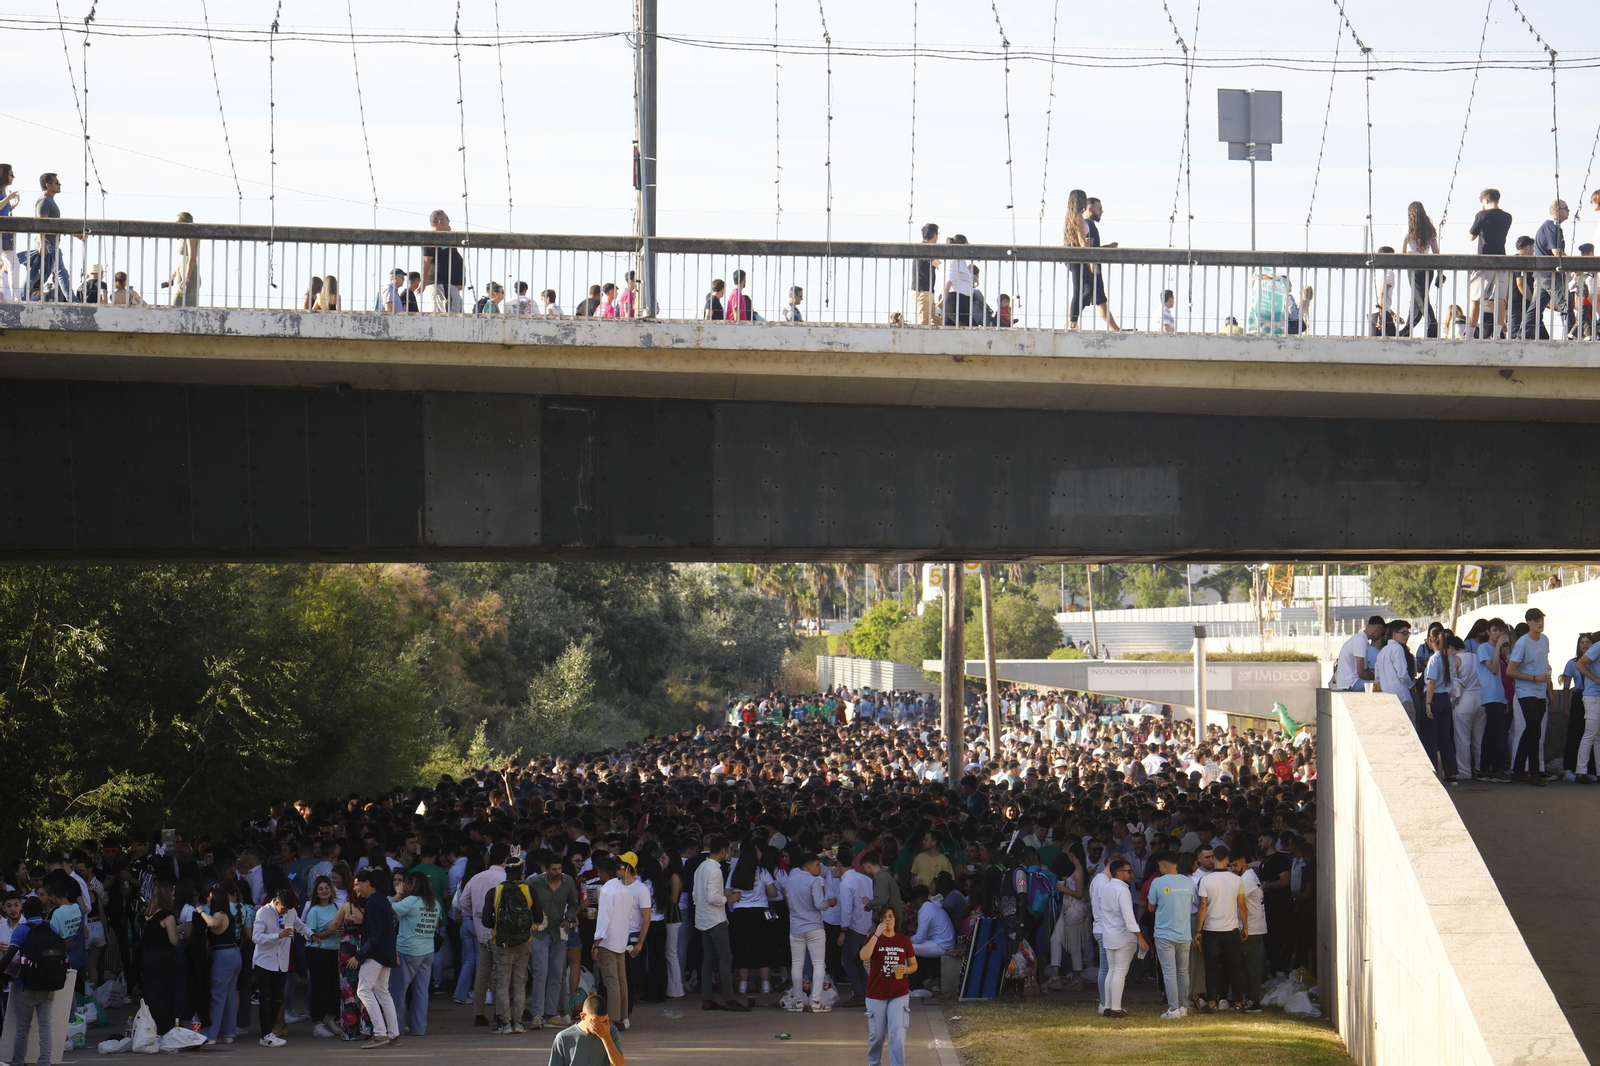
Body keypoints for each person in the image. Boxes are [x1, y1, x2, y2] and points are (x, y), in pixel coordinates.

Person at [2, 896, 64, 1066]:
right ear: (42, 911)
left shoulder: (22, 930)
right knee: (45, 1026)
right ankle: (45, 1062)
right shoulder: (52, 928)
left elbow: (8, 956)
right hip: (50, 985)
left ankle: (18, 1062)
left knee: (22, 1028)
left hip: (27, 986)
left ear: (24, 911)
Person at [482, 857, 540, 1034]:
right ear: (521, 870)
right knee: (519, 982)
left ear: (505, 871)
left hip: (502, 943)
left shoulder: (495, 892)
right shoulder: (530, 891)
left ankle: (505, 1023)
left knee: (502, 983)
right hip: (524, 942)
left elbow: (485, 921)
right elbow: (538, 918)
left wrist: (501, 925)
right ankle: (519, 1022)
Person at [1194, 844, 1250, 1013]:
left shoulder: (1205, 880)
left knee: (1211, 967)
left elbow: (1202, 906)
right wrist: (1245, 927)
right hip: (1231, 928)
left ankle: (1212, 1003)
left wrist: (1198, 930)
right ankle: (1238, 1003)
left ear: (1214, 859)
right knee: (1234, 966)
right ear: (1227, 860)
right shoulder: (1237, 880)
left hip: (1211, 929)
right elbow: (1242, 905)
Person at [251, 888, 309, 1047]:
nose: (285, 912)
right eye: (283, 909)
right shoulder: (263, 913)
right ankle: (265, 1034)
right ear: (276, 902)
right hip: (264, 962)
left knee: (277, 999)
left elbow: (300, 925)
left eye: (288, 910)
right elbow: (256, 937)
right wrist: (278, 935)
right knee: (266, 998)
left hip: (281, 962)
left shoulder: (290, 912)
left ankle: (270, 1031)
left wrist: (311, 935)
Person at [859, 906, 916, 1066]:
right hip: (876, 993)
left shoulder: (903, 940)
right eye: (884, 917)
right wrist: (876, 934)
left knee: (897, 1033)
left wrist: (907, 969)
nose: (887, 920)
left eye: (891, 916)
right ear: (879, 921)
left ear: (896, 919)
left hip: (899, 993)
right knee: (877, 1035)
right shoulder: (873, 937)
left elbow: (913, 964)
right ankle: (874, 1063)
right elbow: (864, 956)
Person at [528, 851, 579, 1028]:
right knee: (540, 972)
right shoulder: (533, 882)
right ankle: (537, 1014)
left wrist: (569, 918)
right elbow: (524, 899)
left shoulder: (568, 882)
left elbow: (574, 903)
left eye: (559, 869)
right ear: (546, 870)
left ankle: (551, 1014)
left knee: (557, 973)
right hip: (539, 932)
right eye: (554, 869)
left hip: (559, 932)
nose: (557, 872)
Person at [349, 868, 399, 1048]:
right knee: (383, 993)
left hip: (376, 954)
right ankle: (393, 1034)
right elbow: (384, 930)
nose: (355, 888)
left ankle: (380, 1033)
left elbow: (375, 935)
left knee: (363, 991)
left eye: (357, 884)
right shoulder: (381, 900)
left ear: (367, 883)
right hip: (386, 952)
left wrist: (359, 955)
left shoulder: (373, 903)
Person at [389, 871, 439, 1038]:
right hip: (427, 950)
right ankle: (419, 1028)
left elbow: (387, 908)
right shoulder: (434, 903)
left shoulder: (410, 901)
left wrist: (398, 894)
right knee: (421, 992)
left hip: (408, 950)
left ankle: (397, 1026)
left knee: (398, 991)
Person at [1507, 607, 1553, 785]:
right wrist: (1533, 678)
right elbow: (1511, 671)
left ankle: (1518, 770)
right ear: (1528, 623)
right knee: (1535, 729)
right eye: (1535, 620)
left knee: (1530, 730)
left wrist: (1549, 689)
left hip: (1541, 692)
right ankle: (1534, 773)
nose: (1540, 623)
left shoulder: (1545, 640)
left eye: (1541, 619)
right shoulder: (1522, 643)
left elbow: (1546, 666)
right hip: (1526, 692)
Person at [1064, 190, 1119, 332]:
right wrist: (1092, 262)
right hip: (1082, 260)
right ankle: (1071, 323)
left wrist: (1105, 248)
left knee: (1095, 297)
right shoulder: (1080, 219)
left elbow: (1086, 243)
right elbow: (1083, 243)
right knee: (1084, 291)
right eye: (1099, 208)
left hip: (1078, 259)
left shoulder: (1072, 218)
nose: (1102, 211)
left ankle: (1116, 329)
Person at [1098, 856, 1145, 1018]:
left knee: (1112, 971)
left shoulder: (1106, 888)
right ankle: (1116, 1008)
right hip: (1123, 936)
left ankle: (1108, 1006)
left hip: (1109, 935)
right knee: (1119, 972)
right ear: (1119, 873)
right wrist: (1140, 937)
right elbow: (1129, 918)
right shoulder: (1122, 890)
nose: (1132, 875)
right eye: (1129, 872)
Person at [1147, 852, 1191, 1018]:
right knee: (1183, 972)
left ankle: (1173, 1009)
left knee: (1169, 972)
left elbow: (1151, 907)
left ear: (1163, 865)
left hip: (1164, 933)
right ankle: (1184, 1007)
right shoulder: (1188, 881)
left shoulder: (1158, 882)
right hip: (1184, 933)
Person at [785, 852, 830, 1012]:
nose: (820, 868)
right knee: (818, 964)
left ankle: (798, 1002)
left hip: (796, 926)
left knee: (797, 964)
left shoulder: (790, 879)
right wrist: (828, 903)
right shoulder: (814, 881)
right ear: (809, 866)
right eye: (818, 865)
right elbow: (819, 904)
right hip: (814, 926)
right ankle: (816, 1002)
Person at [197, 886, 242, 1044]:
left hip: (223, 956)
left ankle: (210, 1034)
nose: (207, 899)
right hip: (234, 954)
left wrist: (201, 911)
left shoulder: (218, 914)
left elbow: (214, 923)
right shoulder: (228, 914)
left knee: (218, 995)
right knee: (229, 995)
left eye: (210, 896)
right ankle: (228, 1033)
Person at [1467, 188, 1512, 338]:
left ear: (1485, 200)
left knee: (1475, 298)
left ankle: (1470, 333)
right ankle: (1497, 334)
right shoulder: (1507, 217)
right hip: (1501, 260)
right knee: (1499, 298)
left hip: (1483, 261)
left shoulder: (1482, 215)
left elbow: (1471, 236)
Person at [1423, 632, 1465, 783]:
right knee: (1445, 738)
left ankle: (1434, 772)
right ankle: (1451, 773)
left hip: (1434, 698)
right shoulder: (1450, 658)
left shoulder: (1435, 658)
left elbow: (1431, 682)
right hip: (1446, 699)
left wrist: (1427, 703)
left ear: (1432, 642)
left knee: (1431, 738)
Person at [546, 994, 624, 1066]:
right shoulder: (563, 1037)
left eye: (604, 1021)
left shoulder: (610, 1032)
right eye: (596, 1022)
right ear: (583, 1016)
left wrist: (606, 1037)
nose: (601, 1026)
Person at [1529, 200, 1569, 339]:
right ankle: (1571, 334)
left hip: (1541, 274)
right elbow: (1556, 251)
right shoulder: (1552, 226)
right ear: (1556, 210)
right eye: (1566, 208)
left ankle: (1522, 334)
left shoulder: (1548, 227)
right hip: (1550, 274)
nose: (1568, 211)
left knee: (1535, 308)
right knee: (1563, 303)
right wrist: (1574, 265)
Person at [1400, 201, 1440, 337]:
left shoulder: (1408, 229)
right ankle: (1406, 331)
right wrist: (1440, 271)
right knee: (1418, 298)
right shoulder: (1430, 229)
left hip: (1413, 267)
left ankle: (1433, 324)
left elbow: (1402, 252)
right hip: (1429, 267)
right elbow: (1436, 252)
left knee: (1420, 298)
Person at [420, 210, 466, 313]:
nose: (449, 222)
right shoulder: (432, 238)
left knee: (453, 313)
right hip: (441, 285)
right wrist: (422, 281)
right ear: (440, 221)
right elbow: (426, 260)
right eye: (447, 220)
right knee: (446, 315)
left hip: (448, 286)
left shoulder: (443, 239)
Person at [1375, 619, 1416, 725]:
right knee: (1411, 733)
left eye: (1408, 633)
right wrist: (1412, 686)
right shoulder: (1397, 648)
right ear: (1394, 634)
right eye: (1404, 633)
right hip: (1402, 698)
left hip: (1387, 699)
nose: (1407, 636)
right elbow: (1402, 675)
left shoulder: (1382, 652)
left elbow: (1377, 678)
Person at [1335, 616, 1385, 690]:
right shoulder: (1360, 641)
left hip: (1351, 681)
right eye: (1382, 633)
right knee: (1386, 687)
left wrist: (1374, 679)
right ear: (1378, 628)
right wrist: (1373, 681)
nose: (1381, 636)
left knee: (1380, 684)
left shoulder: (1361, 639)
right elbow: (1361, 672)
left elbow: (1366, 669)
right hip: (1352, 683)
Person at [941, 236, 974, 327]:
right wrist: (943, 299)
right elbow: (949, 279)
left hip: (962, 300)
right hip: (955, 300)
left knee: (949, 333)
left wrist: (973, 278)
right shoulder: (953, 259)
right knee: (968, 330)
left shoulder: (962, 261)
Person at [169, 211, 200, 307]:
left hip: (189, 277)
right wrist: (173, 276)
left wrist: (186, 278)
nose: (176, 225)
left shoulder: (191, 237)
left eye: (179, 222)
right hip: (184, 276)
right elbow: (183, 260)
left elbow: (191, 258)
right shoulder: (185, 238)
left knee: (175, 305)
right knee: (181, 307)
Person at [911, 223, 940, 325]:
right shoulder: (927, 249)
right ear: (934, 235)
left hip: (925, 290)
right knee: (923, 323)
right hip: (924, 290)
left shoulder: (921, 247)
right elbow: (938, 264)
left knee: (935, 320)